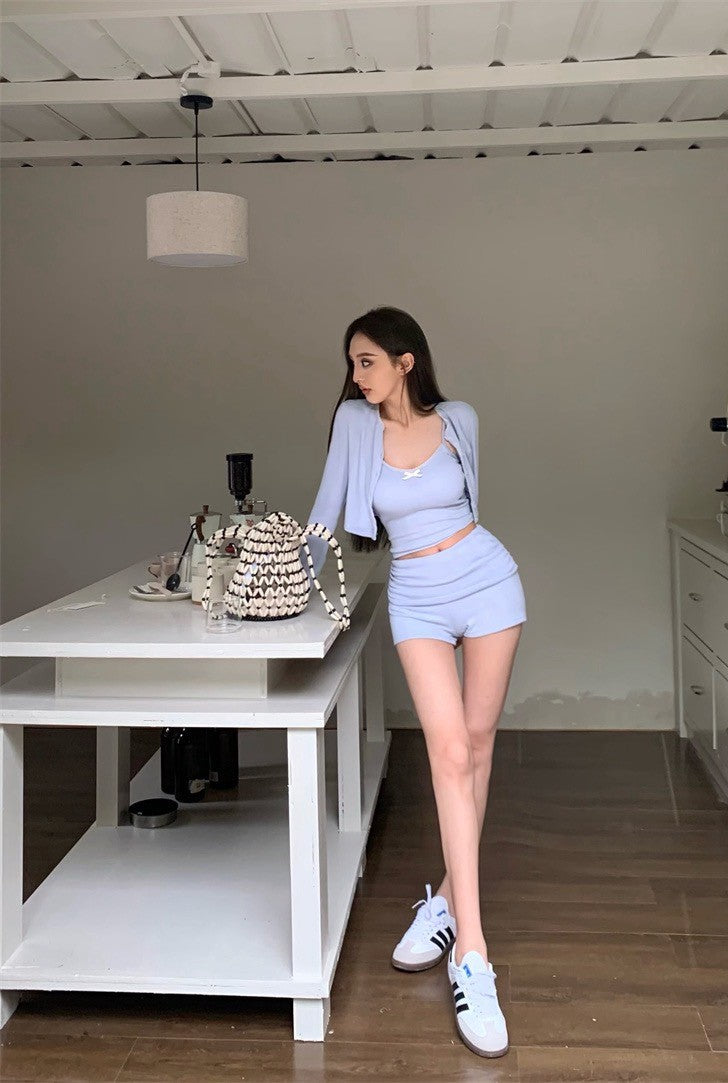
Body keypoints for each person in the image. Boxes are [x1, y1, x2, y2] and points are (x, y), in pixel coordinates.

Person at [302, 306, 526, 1059]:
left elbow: (472, 505)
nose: (355, 375)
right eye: (351, 363)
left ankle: (448, 901)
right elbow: (325, 517)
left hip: (487, 581)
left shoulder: (460, 419)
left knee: (478, 747)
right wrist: (277, 588)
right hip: (417, 597)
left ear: (405, 361)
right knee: (449, 753)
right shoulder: (354, 426)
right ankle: (473, 955)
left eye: (366, 361)